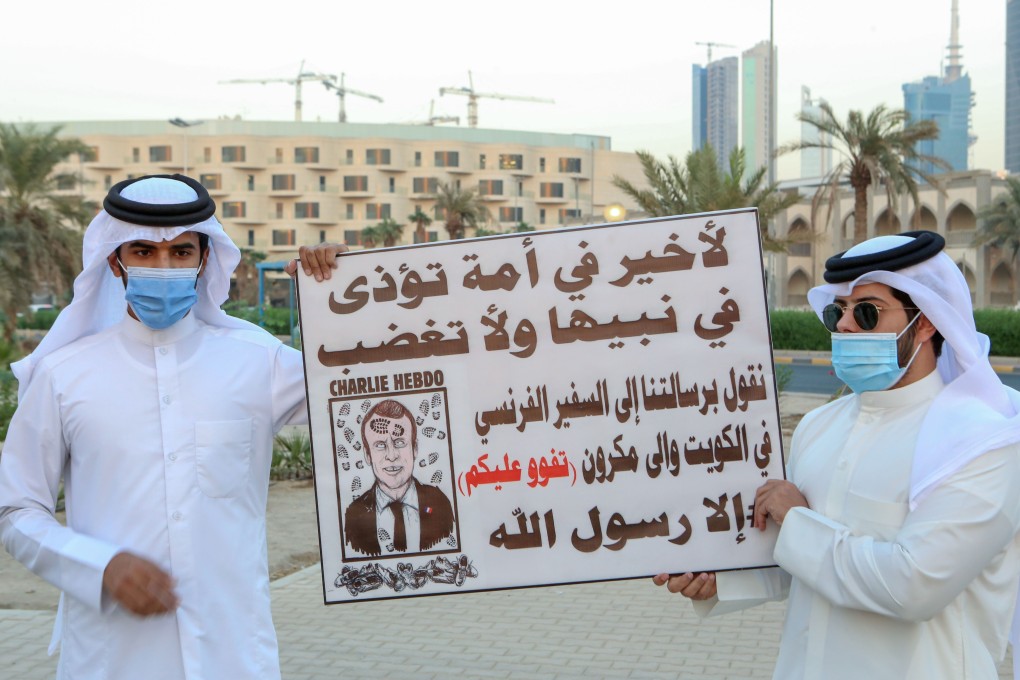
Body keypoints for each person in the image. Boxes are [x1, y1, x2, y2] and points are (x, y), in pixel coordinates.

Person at [0, 174, 342, 680]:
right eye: (143, 251)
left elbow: (366, 389)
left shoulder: (260, 363)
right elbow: (16, 508)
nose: (164, 267)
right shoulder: (62, 375)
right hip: (111, 658)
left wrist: (339, 293)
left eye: (181, 252)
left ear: (205, 259)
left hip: (232, 654)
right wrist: (99, 566)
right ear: (115, 261)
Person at [655, 231, 1020, 679]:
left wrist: (799, 519)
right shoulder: (820, 426)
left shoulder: (982, 442)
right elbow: (797, 559)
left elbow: (913, 586)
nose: (845, 326)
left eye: (866, 312)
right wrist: (715, 578)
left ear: (925, 322)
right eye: (838, 311)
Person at [344, 398, 455, 557]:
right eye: (380, 445)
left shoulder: (440, 504)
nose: (392, 455)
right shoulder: (354, 514)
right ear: (368, 455)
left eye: (400, 442)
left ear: (414, 448)